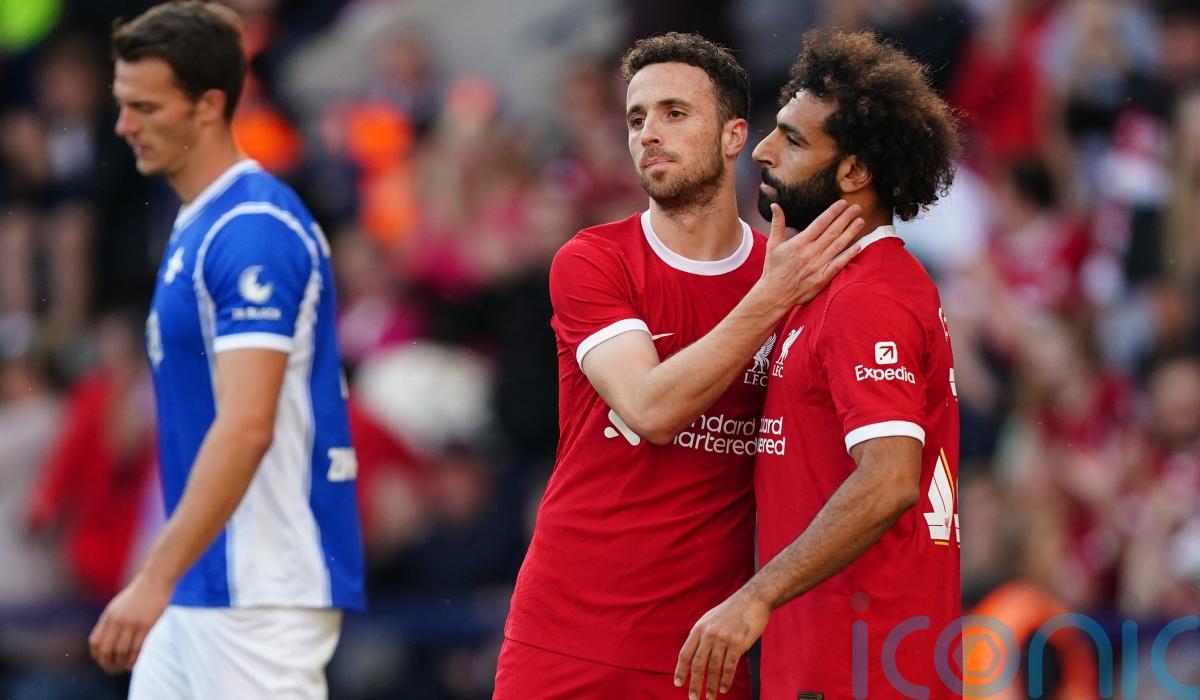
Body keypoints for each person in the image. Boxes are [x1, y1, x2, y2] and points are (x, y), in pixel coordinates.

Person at [494, 32, 865, 699]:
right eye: (636, 118)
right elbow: (650, 407)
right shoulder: (594, 260)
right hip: (567, 640)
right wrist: (772, 298)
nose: (649, 134)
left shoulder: (791, 276)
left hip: (707, 653)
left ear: (733, 136)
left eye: (674, 113)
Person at [87, 3, 365, 698]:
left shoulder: (251, 231)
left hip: (261, 590)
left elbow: (245, 426)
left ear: (209, 105)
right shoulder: (202, 221)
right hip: (206, 582)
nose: (125, 125)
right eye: (122, 104)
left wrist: (152, 578)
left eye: (146, 106)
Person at [675, 30, 962, 700]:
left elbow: (889, 479)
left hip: (863, 668)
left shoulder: (868, 298)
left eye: (794, 141)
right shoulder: (831, 288)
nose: (763, 151)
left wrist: (757, 595)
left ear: (856, 173)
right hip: (832, 662)